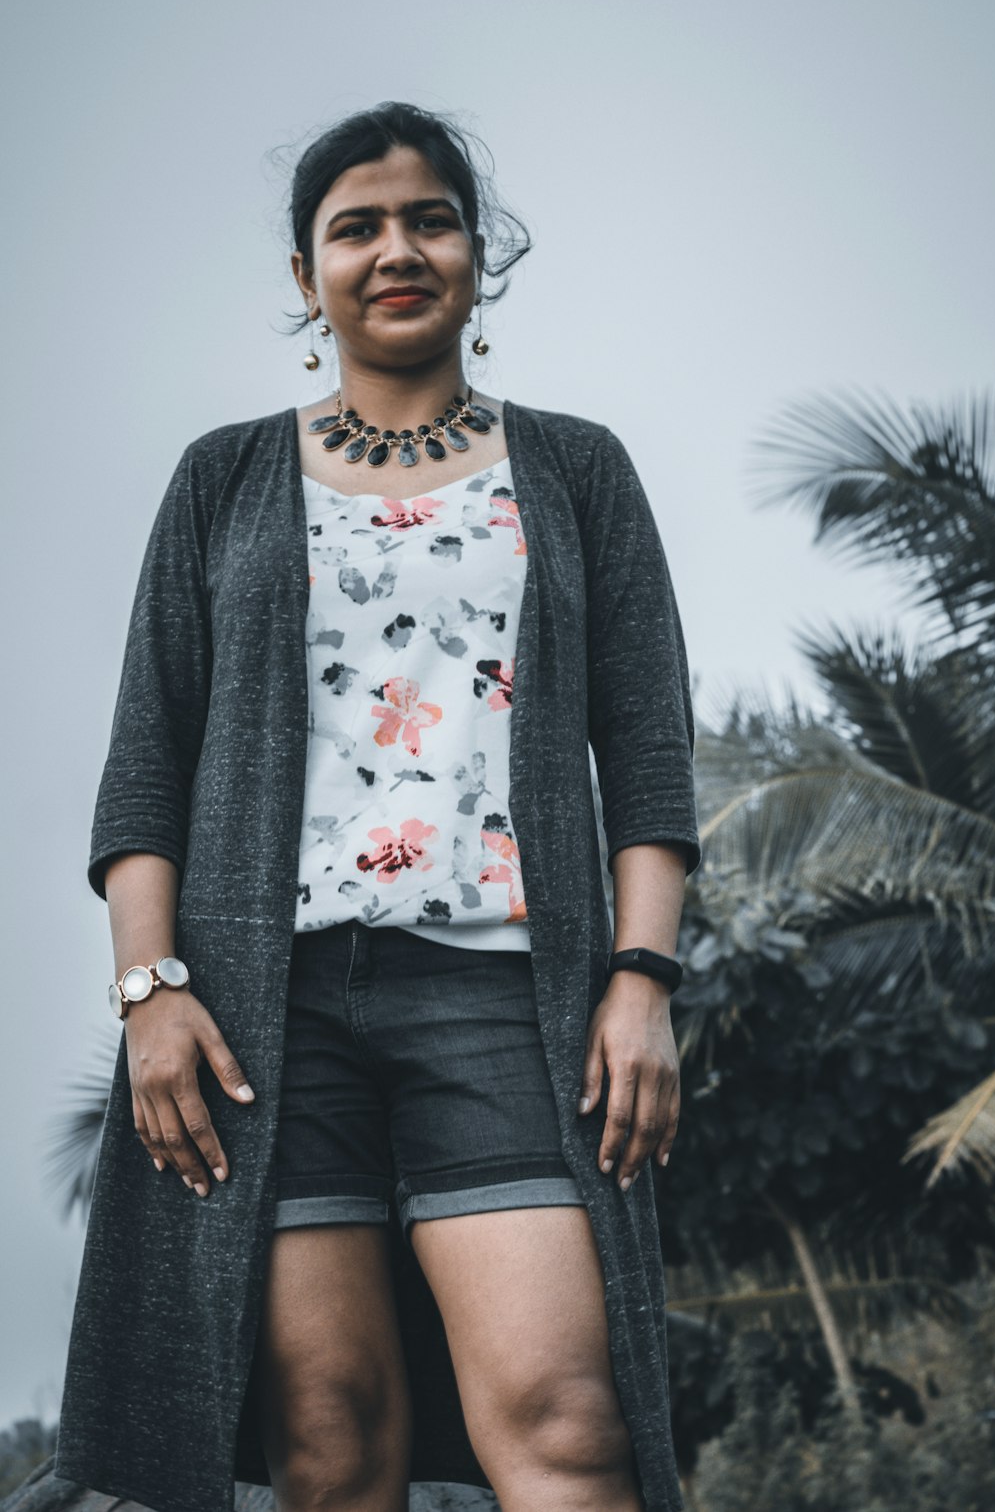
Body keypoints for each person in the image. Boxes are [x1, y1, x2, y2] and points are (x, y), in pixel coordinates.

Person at [54, 101, 701, 1512]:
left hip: (506, 1001)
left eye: (430, 219)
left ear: (478, 253)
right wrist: (150, 993)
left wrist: (641, 978)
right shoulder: (222, 478)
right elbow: (145, 764)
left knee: (567, 1419)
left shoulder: (578, 470)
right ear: (308, 277)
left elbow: (648, 753)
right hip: (260, 1020)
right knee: (327, 1439)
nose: (395, 250)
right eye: (357, 227)